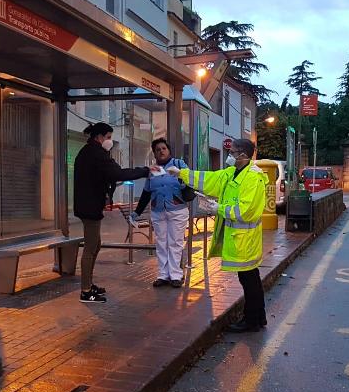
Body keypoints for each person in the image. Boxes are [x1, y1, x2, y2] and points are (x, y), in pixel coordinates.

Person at [167, 139, 268, 332]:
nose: (229, 155)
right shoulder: (232, 173)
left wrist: (218, 208)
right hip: (239, 238)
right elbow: (209, 179)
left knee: (249, 280)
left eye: (233, 151)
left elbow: (247, 211)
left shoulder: (253, 178)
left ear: (243, 155)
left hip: (245, 240)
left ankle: (252, 320)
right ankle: (257, 317)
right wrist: (182, 173)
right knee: (248, 278)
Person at [74, 123, 155, 303]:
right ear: (99, 137)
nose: (110, 141)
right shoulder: (96, 154)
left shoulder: (88, 152)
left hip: (88, 204)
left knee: (95, 244)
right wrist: (146, 171)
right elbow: (117, 173)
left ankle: (89, 283)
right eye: (109, 137)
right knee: (91, 247)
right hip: (89, 206)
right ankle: (86, 291)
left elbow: (105, 176)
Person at [132, 139, 190, 288]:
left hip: (177, 210)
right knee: (161, 243)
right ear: (154, 152)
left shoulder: (178, 164)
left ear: (169, 150)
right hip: (158, 212)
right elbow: (146, 193)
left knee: (175, 243)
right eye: (158, 149)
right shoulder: (153, 170)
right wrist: (137, 212)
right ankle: (163, 275)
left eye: (164, 148)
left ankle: (176, 275)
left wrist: (183, 180)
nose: (161, 151)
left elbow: (190, 181)